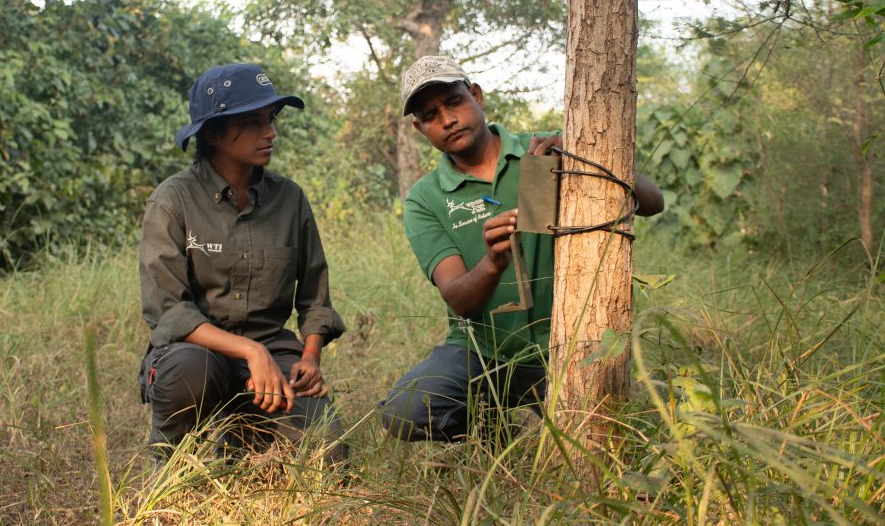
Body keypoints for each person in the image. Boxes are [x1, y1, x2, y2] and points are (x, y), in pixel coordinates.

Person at [380, 56, 663, 443]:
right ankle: (493, 433)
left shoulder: (543, 152)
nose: (447, 119)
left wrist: (587, 158)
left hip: (565, 346)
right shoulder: (425, 199)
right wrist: (493, 262)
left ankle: (556, 416)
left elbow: (652, 202)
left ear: (476, 96)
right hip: (484, 353)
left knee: (616, 432)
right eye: (430, 115)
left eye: (454, 101)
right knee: (404, 410)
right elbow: (458, 298)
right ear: (419, 128)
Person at [137, 63, 348, 463]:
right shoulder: (172, 200)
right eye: (253, 122)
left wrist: (310, 357)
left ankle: (243, 433)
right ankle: (172, 456)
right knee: (189, 372)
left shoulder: (290, 199)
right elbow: (168, 311)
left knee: (330, 454)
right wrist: (251, 352)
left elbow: (315, 298)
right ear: (214, 133)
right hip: (197, 353)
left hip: (273, 354)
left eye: (269, 119)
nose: (270, 132)